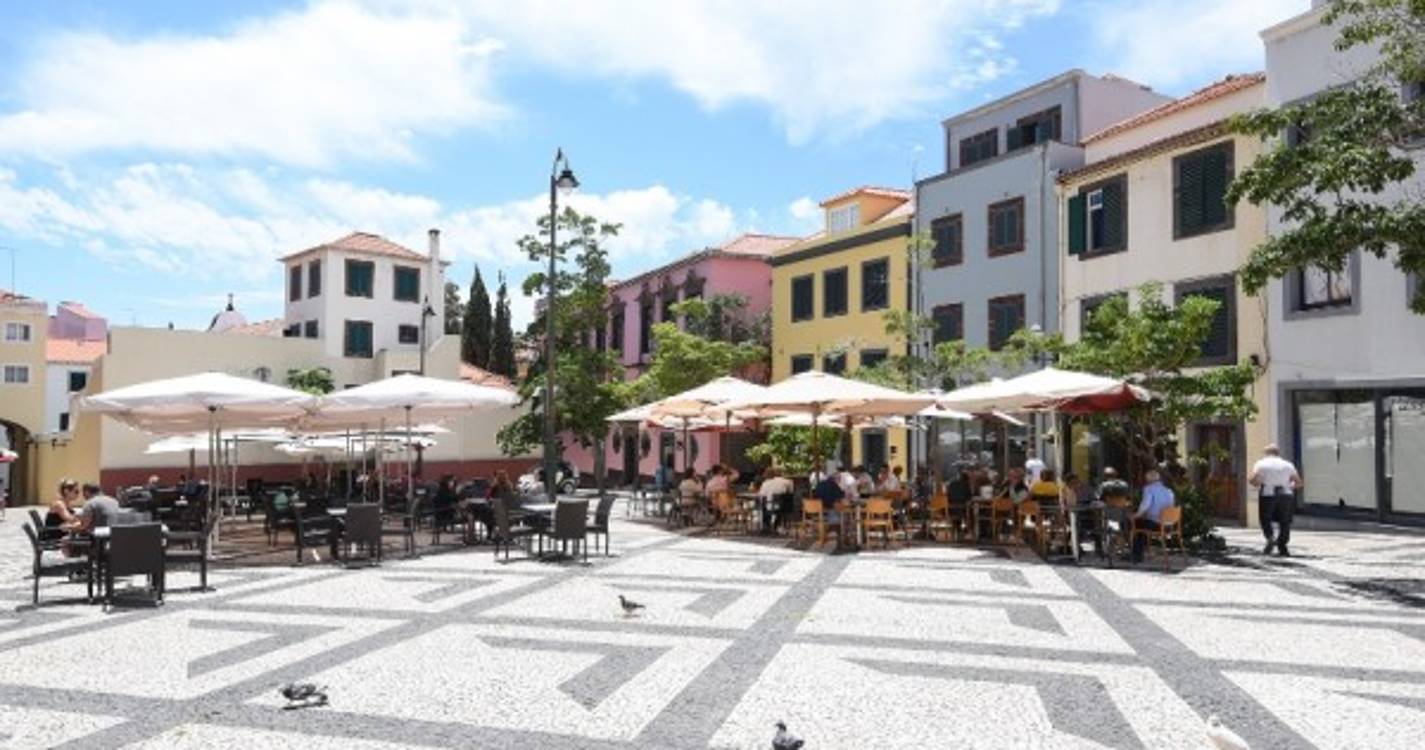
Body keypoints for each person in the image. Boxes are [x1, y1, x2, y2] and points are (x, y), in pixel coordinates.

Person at [1250, 444, 1303, 557]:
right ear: (1278, 453)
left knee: (1265, 518)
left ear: (1266, 453)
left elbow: (1253, 479)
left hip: (1268, 493)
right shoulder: (1288, 465)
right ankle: (1282, 546)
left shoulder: (1261, 464)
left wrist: (1258, 483)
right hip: (1286, 494)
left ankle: (1270, 537)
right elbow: (1298, 482)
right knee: (1285, 521)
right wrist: (1289, 486)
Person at [1130, 470, 1176, 563]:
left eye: (1146, 479)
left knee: (1134, 523)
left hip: (1156, 524)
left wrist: (1135, 515)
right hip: (1168, 525)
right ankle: (1138, 552)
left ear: (1149, 480)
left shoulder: (1149, 489)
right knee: (1141, 524)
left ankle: (1136, 555)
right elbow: (1171, 506)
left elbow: (1145, 506)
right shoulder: (1169, 491)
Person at [757, 467, 795, 533]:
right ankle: (776, 525)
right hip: (784, 507)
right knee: (779, 505)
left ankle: (766, 525)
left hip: (769, 506)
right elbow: (790, 492)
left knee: (763, 504)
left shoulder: (766, 483)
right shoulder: (787, 481)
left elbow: (761, 495)